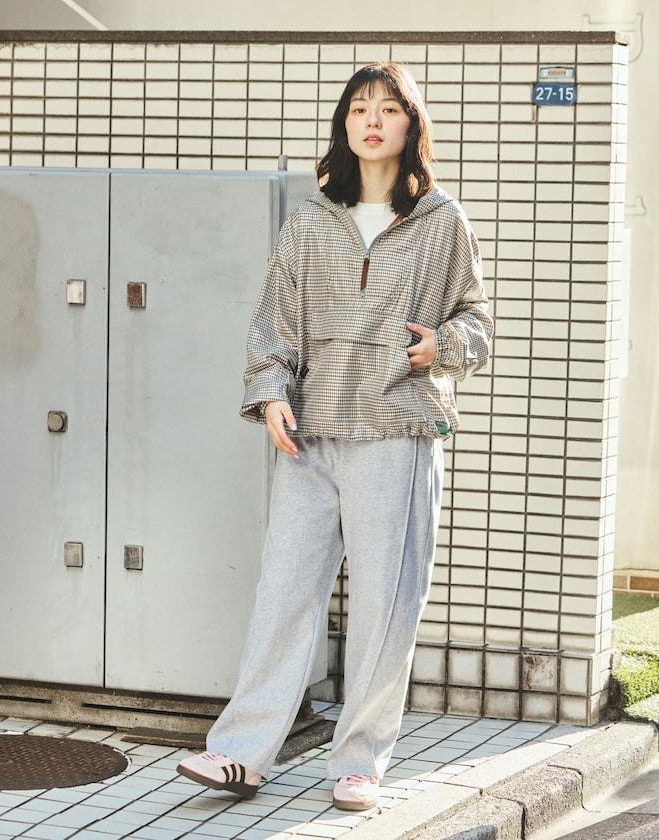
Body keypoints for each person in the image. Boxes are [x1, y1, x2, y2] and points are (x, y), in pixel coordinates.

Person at [177, 61, 494, 812]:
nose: (372, 120)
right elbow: (273, 325)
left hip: (396, 430)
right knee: (284, 594)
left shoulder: (441, 221)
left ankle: (359, 763)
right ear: (343, 125)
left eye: (389, 108)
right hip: (312, 435)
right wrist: (269, 395)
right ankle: (241, 754)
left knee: (387, 603)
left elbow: (478, 322)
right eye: (358, 108)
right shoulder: (310, 221)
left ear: (412, 125)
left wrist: (441, 346)